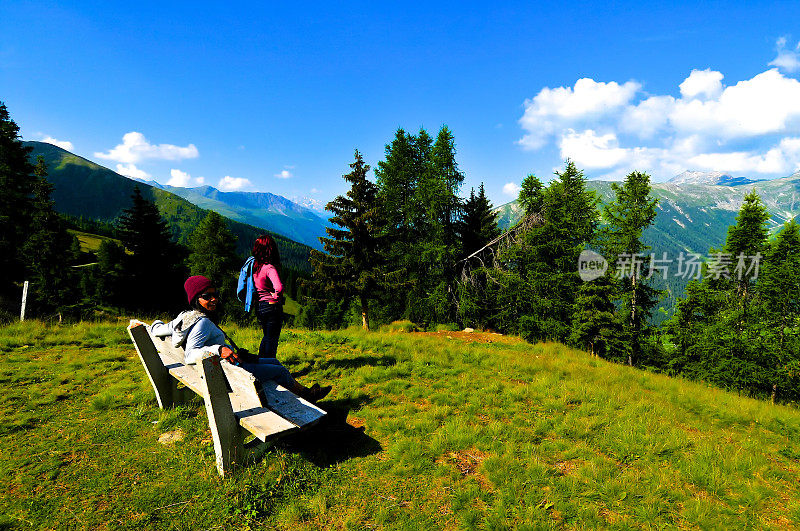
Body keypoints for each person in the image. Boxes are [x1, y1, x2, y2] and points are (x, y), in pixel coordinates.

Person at [150, 275, 330, 402]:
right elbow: (190, 356)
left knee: (273, 361)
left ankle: (304, 393)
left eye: (215, 295)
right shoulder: (202, 323)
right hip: (225, 374)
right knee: (280, 371)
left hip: (221, 368)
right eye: (207, 296)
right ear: (196, 298)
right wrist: (219, 349)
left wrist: (154, 326)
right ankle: (307, 396)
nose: (213, 299)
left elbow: (162, 329)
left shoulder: (184, 317)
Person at [252, 234, 285, 358]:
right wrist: (276, 297)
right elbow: (279, 287)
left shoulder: (255, 267)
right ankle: (271, 367)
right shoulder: (269, 268)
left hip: (260, 306)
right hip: (272, 307)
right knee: (272, 340)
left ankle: (261, 365)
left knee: (266, 337)